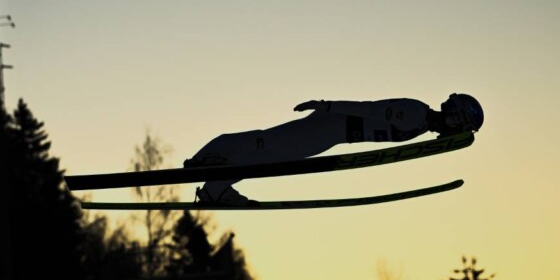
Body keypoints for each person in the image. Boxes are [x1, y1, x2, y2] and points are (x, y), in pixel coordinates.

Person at [184, 93, 484, 205]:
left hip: (333, 134)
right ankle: (212, 173)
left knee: (269, 152)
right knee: (268, 149)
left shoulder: (420, 124)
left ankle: (215, 183)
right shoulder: (416, 113)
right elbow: (371, 109)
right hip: (330, 127)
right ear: (454, 115)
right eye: (459, 124)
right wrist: (327, 106)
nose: (454, 129)